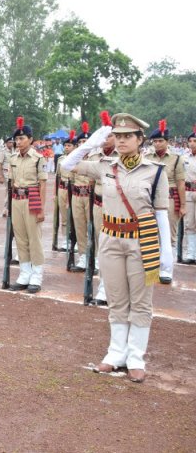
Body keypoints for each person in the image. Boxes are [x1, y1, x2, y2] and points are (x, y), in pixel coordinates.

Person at [61, 113, 171, 383]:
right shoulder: (105, 166)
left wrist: (166, 253)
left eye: (127, 136)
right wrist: (91, 144)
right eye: (117, 135)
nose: (121, 140)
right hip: (110, 239)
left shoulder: (155, 172)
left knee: (141, 301)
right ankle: (115, 354)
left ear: (139, 139)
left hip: (141, 242)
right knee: (117, 299)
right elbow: (67, 165)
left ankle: (135, 357)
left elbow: (161, 216)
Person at [7, 117, 48, 293]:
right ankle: (24, 273)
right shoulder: (13, 159)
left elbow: (43, 185)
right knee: (21, 237)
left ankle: (37, 274)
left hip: (32, 199)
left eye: (22, 138)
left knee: (34, 238)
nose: (18, 142)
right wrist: (8, 206)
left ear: (31, 139)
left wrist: (41, 209)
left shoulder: (38, 159)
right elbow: (10, 183)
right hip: (17, 199)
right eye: (16, 139)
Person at [143, 120, 185, 284]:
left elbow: (181, 183)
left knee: (169, 236)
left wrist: (182, 205)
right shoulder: (146, 157)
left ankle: (166, 269)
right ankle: (152, 269)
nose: (157, 144)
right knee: (150, 235)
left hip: (169, 200)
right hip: (150, 201)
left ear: (167, 142)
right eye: (155, 141)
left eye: (161, 141)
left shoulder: (176, 159)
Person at [86, 114, 119, 304]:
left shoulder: (122, 157)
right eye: (103, 136)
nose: (106, 140)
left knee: (116, 248)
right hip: (99, 205)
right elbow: (90, 183)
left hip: (118, 207)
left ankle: (115, 288)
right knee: (101, 245)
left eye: (110, 136)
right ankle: (104, 287)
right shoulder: (94, 156)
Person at [70, 122, 93, 272]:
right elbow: (70, 180)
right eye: (80, 142)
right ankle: (83, 256)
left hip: (92, 196)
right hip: (77, 195)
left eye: (86, 142)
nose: (83, 144)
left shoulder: (97, 158)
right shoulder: (74, 159)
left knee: (96, 227)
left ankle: (96, 257)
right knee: (80, 226)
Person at [55, 131, 76, 251]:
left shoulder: (79, 160)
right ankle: (66, 238)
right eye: (66, 145)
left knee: (77, 216)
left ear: (75, 147)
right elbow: (58, 177)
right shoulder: (61, 159)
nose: (67, 147)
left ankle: (77, 238)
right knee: (64, 215)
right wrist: (55, 194)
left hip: (74, 188)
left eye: (69, 145)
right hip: (63, 188)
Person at [182, 126, 196, 263]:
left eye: (195, 141)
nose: (192, 143)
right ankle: (191, 254)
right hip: (188, 192)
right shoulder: (184, 158)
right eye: (190, 141)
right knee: (189, 224)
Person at [0, 136, 15, 217]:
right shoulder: (3, 151)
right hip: (6, 173)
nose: (11, 144)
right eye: (9, 142)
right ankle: (5, 209)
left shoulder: (15, 150)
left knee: (13, 190)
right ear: (6, 143)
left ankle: (11, 208)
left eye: (12, 142)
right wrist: (0, 176)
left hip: (15, 173)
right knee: (9, 190)